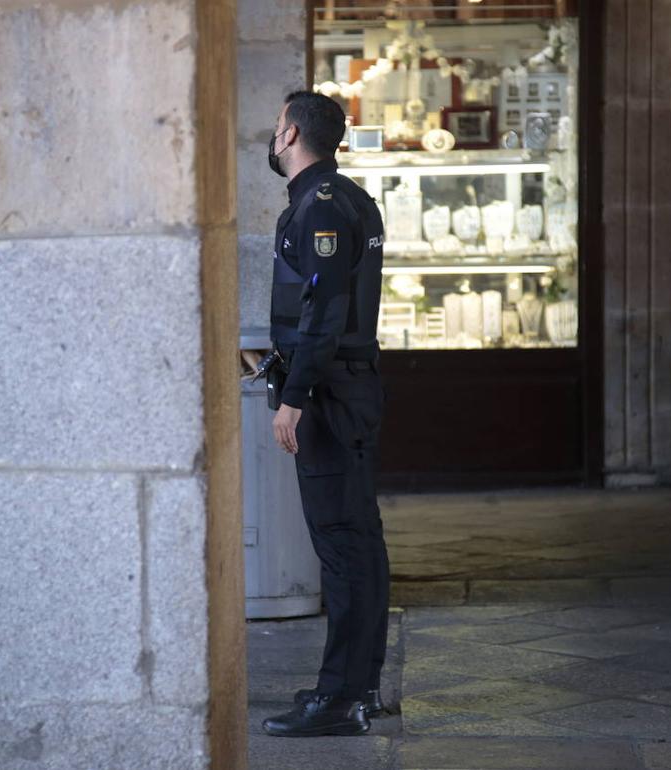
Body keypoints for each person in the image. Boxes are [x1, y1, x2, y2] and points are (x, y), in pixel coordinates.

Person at [259, 91, 390, 737]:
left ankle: (338, 699)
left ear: (289, 134)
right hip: (346, 391)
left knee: (342, 549)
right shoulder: (339, 198)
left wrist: (293, 397)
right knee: (358, 544)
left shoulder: (323, 205)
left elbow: (324, 310)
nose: (271, 134)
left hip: (331, 398)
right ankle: (359, 687)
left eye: (275, 124)